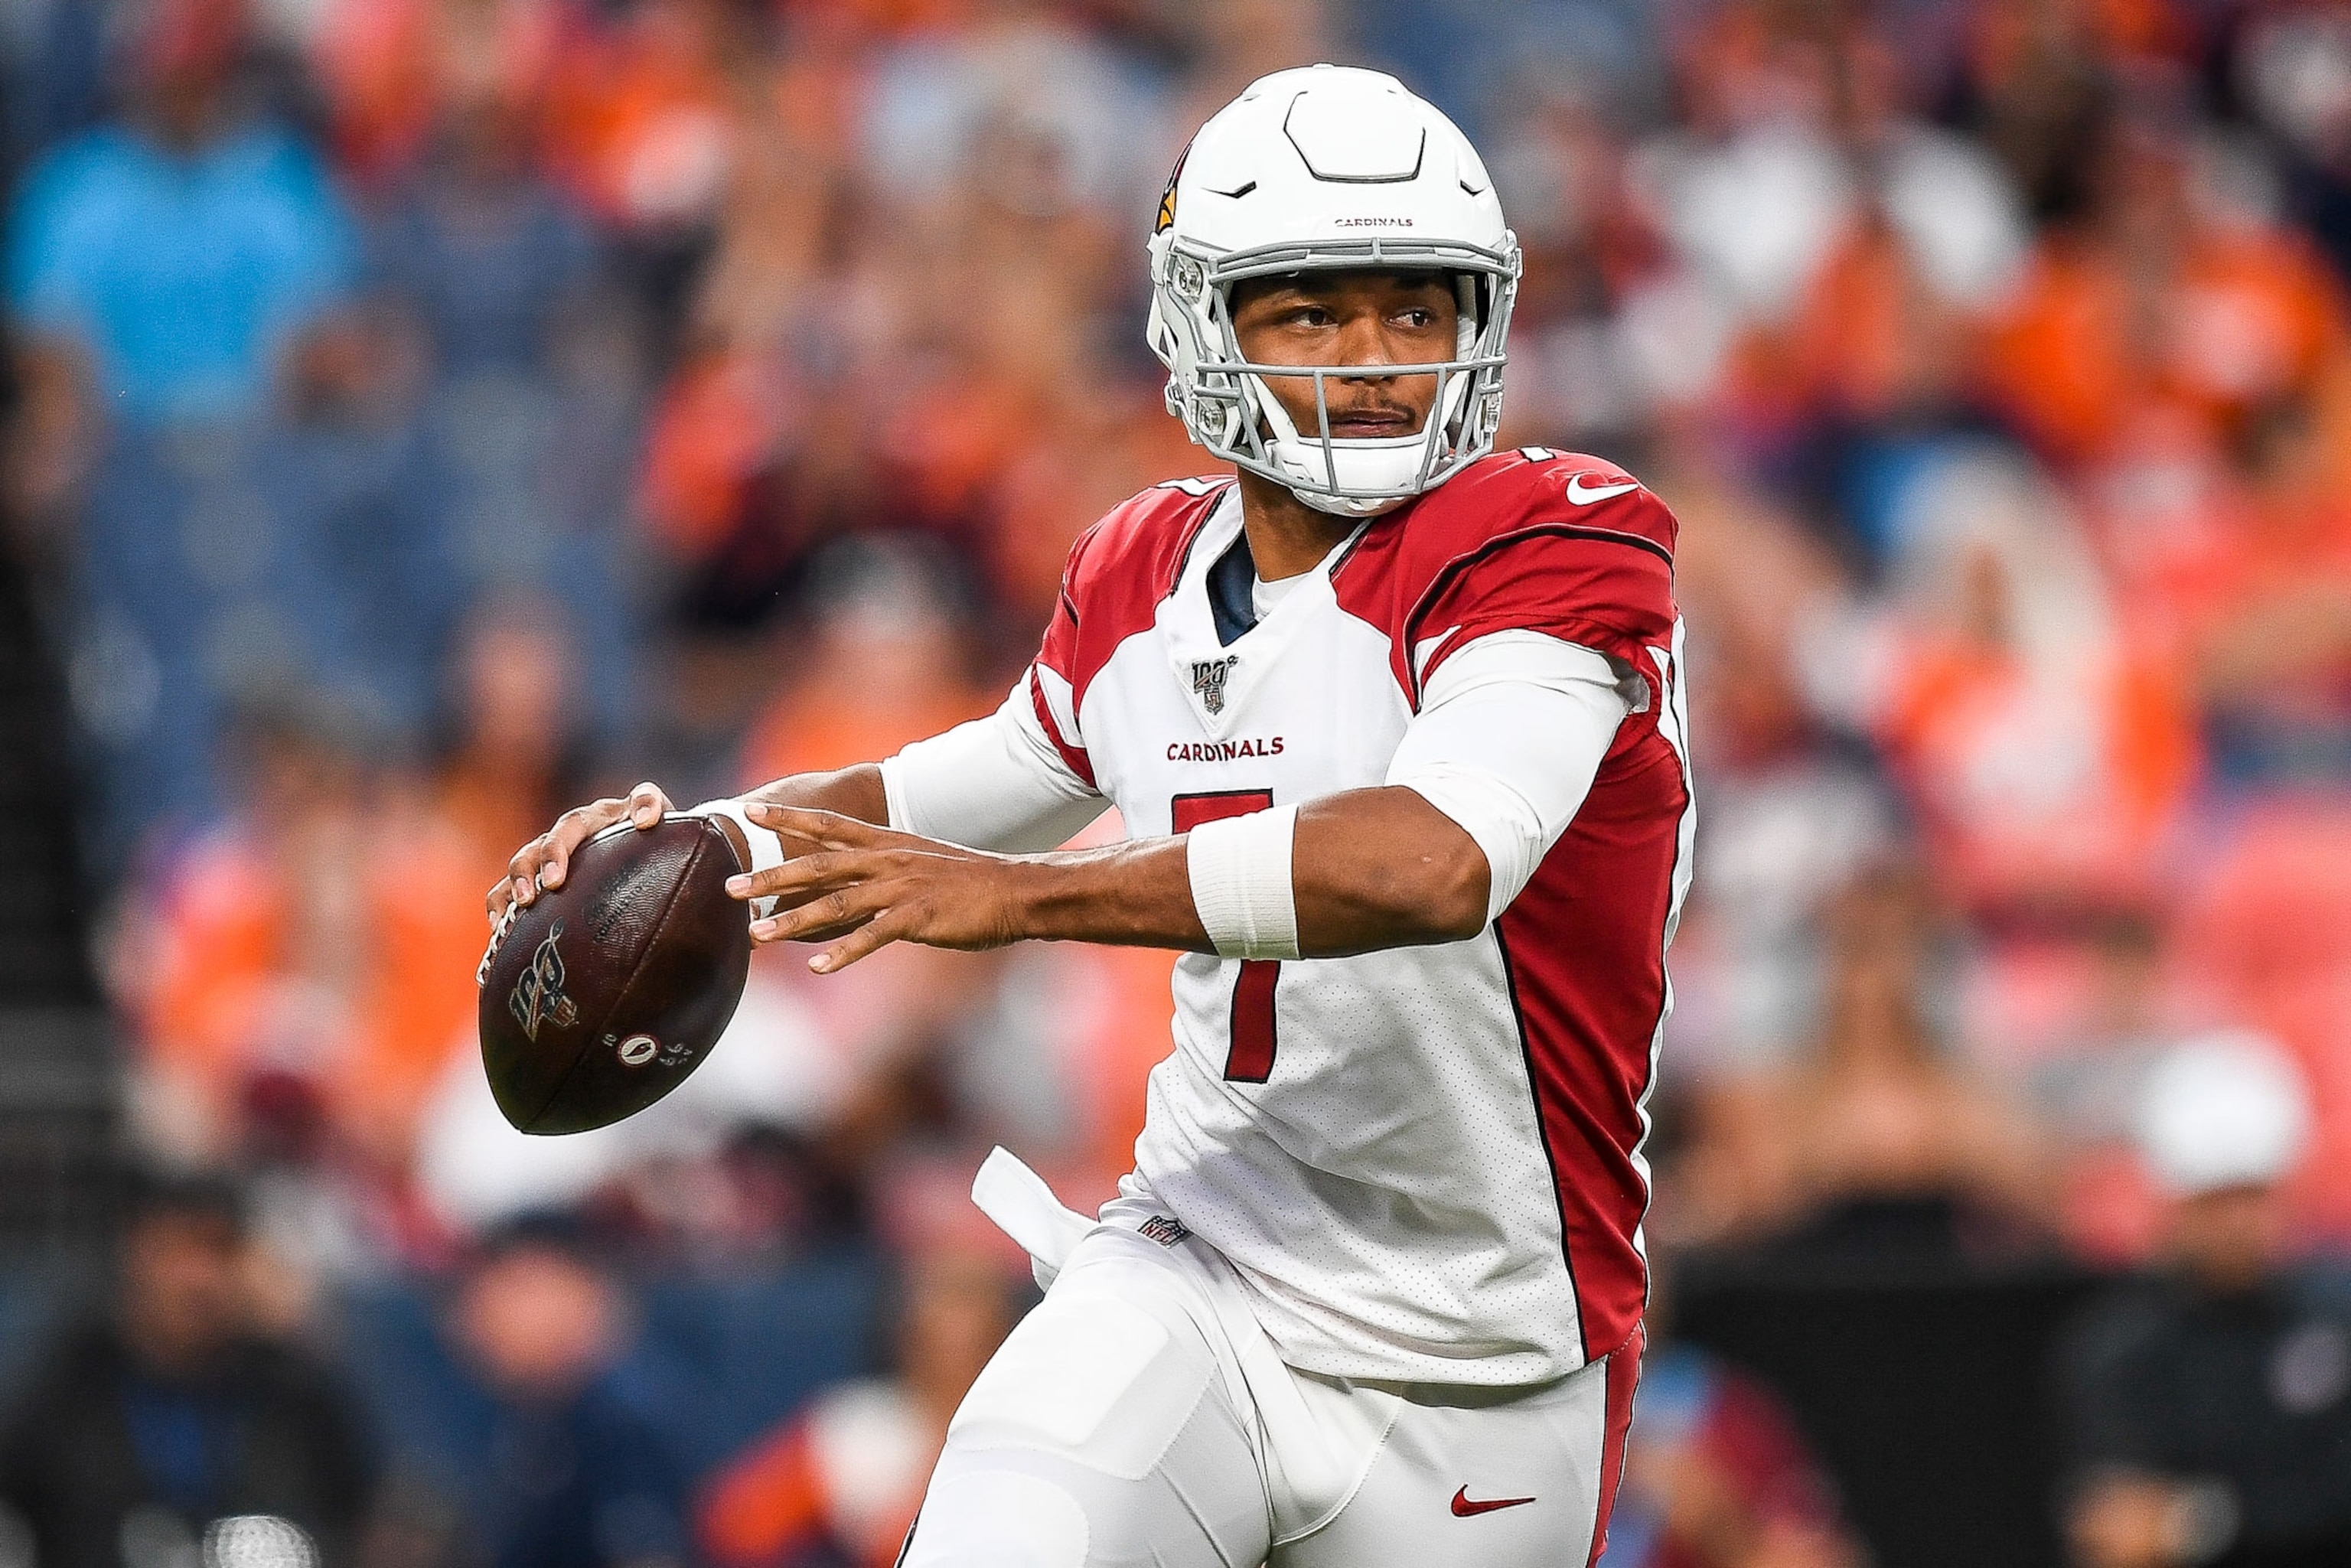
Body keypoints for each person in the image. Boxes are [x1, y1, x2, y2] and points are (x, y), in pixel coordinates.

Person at [494, 65, 1691, 1568]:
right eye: (1313, 308)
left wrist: (1030, 898)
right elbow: (973, 779)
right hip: (1207, 1270)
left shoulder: (1554, 541)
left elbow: (1437, 861)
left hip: (1490, 1362)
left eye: (1418, 306)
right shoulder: (1140, 563)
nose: (1376, 356)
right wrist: (707, 843)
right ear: (1206, 325)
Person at [2057, 1034, 2351, 1568]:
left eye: (2252, 1195)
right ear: (2175, 1202)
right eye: (2216, 1200)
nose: (2237, 1222)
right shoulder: (2120, 1346)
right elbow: (2123, 1523)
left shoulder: (2336, 1314)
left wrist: (2204, 1519)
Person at [0, 1173, 378, 1568]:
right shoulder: (63, 1390)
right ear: (133, 1256)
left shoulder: (296, 1397)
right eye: (174, 1252)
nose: (198, 1279)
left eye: (218, 1250)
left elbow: (359, 1519)